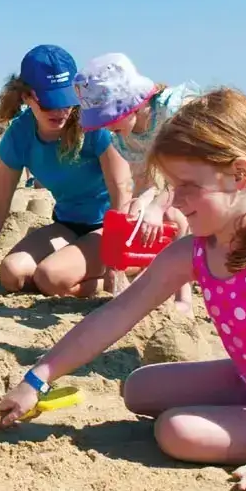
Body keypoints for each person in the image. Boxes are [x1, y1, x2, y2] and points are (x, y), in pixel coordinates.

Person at [0, 88, 246, 491]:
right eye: (170, 185)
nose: (175, 201)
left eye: (187, 185)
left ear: (239, 175)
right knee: (139, 388)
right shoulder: (195, 251)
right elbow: (115, 315)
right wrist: (38, 378)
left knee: (177, 431)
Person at [0, 45, 129, 296]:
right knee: (12, 274)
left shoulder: (95, 124)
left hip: (114, 227)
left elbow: (122, 194)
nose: (60, 111)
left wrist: (115, 264)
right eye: (50, 103)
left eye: (66, 101)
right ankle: (75, 274)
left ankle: (136, 272)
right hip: (68, 226)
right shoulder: (19, 135)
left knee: (50, 277)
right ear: (26, 97)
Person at [75, 52, 198, 311]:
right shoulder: (124, 136)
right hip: (175, 184)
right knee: (141, 214)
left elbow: (189, 173)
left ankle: (184, 293)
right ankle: (154, 282)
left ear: (130, 104)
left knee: (173, 215)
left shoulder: (171, 113)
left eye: (109, 117)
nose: (106, 126)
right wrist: (142, 201)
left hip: (207, 176)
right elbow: (144, 179)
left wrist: (157, 206)